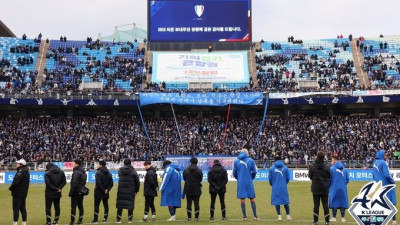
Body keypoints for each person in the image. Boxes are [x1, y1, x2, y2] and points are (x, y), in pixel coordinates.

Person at [232, 145, 260, 221]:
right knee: (252, 198)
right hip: (249, 181)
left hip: (241, 182)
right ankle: (255, 216)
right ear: (247, 152)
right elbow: (254, 171)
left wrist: (239, 178)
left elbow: (234, 172)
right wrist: (251, 178)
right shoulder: (250, 160)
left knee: (242, 198)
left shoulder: (236, 161)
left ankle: (244, 217)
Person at [372, 150, 397, 225]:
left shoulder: (374, 163)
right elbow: (387, 175)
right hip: (387, 185)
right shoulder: (384, 163)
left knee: (379, 203)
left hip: (378, 186)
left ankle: (376, 220)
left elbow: (373, 175)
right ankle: (394, 221)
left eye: (387, 155)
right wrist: (392, 181)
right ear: (381, 155)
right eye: (385, 155)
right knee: (391, 202)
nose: (386, 156)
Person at [309, 152, 331, 225]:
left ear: (317, 157)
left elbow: (310, 176)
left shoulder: (312, 166)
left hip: (315, 187)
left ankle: (315, 221)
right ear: (324, 157)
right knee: (325, 205)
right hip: (324, 187)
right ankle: (327, 222)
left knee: (316, 205)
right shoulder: (326, 166)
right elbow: (329, 176)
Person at [116, 158, 140, 223]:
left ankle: (118, 219)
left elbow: (119, 176)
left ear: (124, 163)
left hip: (121, 189)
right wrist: (137, 190)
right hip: (130, 190)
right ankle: (130, 219)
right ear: (130, 163)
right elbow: (137, 181)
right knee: (130, 204)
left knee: (120, 204)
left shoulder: (120, 170)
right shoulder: (133, 171)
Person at [269, 154, 291, 221]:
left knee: (277, 201)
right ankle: (288, 216)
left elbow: (270, 179)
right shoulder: (285, 168)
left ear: (274, 160)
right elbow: (288, 178)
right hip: (283, 187)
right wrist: (285, 183)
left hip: (275, 187)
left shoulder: (271, 168)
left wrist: (272, 184)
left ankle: (279, 216)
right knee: (285, 201)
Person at [328, 156, 349, 223]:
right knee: (342, 202)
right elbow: (347, 180)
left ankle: (334, 217)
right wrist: (342, 184)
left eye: (332, 160)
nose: (331, 162)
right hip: (343, 189)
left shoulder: (331, 169)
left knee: (334, 202)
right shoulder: (345, 169)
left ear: (335, 160)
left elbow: (329, 179)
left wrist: (329, 186)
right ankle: (343, 218)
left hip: (334, 188)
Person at [9, 159, 30, 225]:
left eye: (18, 163)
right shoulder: (27, 172)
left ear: (21, 165)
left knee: (16, 208)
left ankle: (15, 222)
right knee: (22, 207)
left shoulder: (20, 172)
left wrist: (10, 188)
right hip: (24, 193)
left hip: (17, 193)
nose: (16, 164)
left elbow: (15, 182)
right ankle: (24, 222)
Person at [183, 157, 203, 221]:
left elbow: (184, 178)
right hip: (197, 188)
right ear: (197, 162)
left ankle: (189, 218)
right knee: (196, 203)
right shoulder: (199, 170)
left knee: (189, 203)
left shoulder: (186, 170)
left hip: (188, 188)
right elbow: (200, 179)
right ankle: (196, 218)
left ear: (190, 162)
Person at [69, 159, 87, 225]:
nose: (72, 164)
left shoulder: (76, 172)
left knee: (73, 207)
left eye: (73, 163)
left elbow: (74, 183)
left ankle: (72, 221)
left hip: (76, 192)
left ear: (77, 164)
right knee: (80, 206)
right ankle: (80, 220)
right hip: (81, 192)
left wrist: (71, 193)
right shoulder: (83, 172)